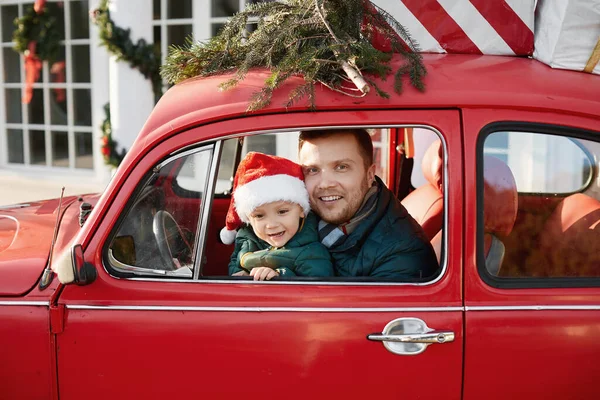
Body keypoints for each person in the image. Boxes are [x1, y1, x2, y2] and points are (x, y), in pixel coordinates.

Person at [298, 128, 439, 279]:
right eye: (312, 170)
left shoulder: (403, 256)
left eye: (341, 167)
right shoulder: (297, 216)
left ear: (370, 175)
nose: (325, 184)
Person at [220, 152, 334, 281]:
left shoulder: (311, 252)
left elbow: (319, 289)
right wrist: (239, 274)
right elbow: (235, 262)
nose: (272, 224)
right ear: (249, 219)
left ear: (301, 210)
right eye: (259, 215)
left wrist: (279, 277)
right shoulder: (247, 238)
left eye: (282, 212)